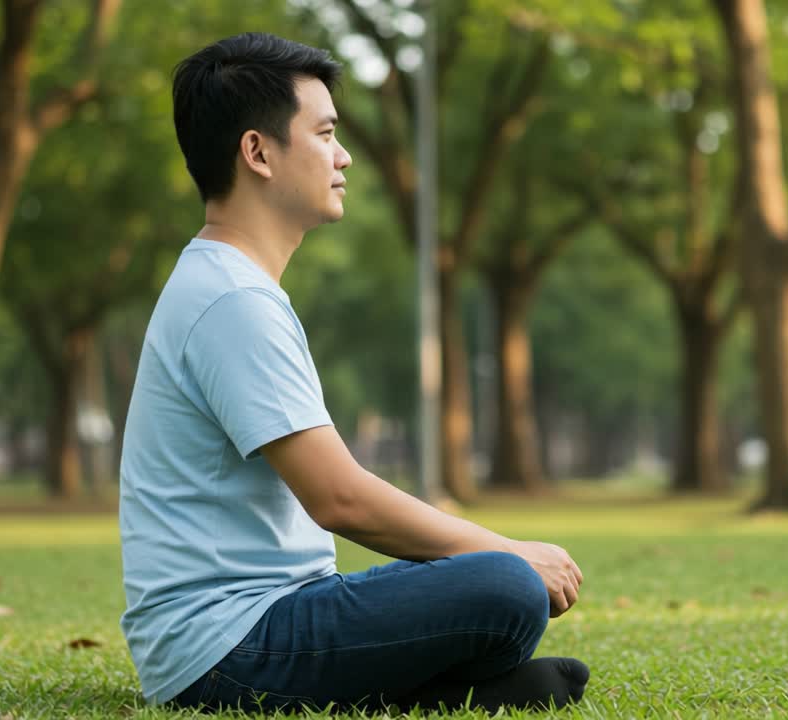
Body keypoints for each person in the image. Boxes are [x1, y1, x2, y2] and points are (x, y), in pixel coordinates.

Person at [118, 32, 589, 714]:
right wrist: (513, 553)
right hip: (226, 650)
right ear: (257, 152)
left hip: (266, 620)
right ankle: (423, 696)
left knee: (488, 583)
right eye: (326, 133)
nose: (342, 157)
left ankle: (431, 692)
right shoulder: (233, 301)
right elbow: (339, 499)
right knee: (507, 589)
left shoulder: (228, 284)